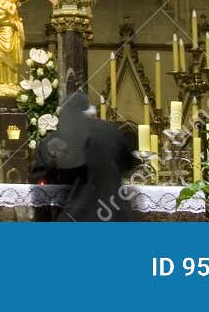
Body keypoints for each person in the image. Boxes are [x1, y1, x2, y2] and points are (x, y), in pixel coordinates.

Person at [34, 92, 139, 221]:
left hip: (80, 214)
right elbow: (129, 164)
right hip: (116, 213)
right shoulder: (111, 130)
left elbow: (43, 176)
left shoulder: (62, 136)